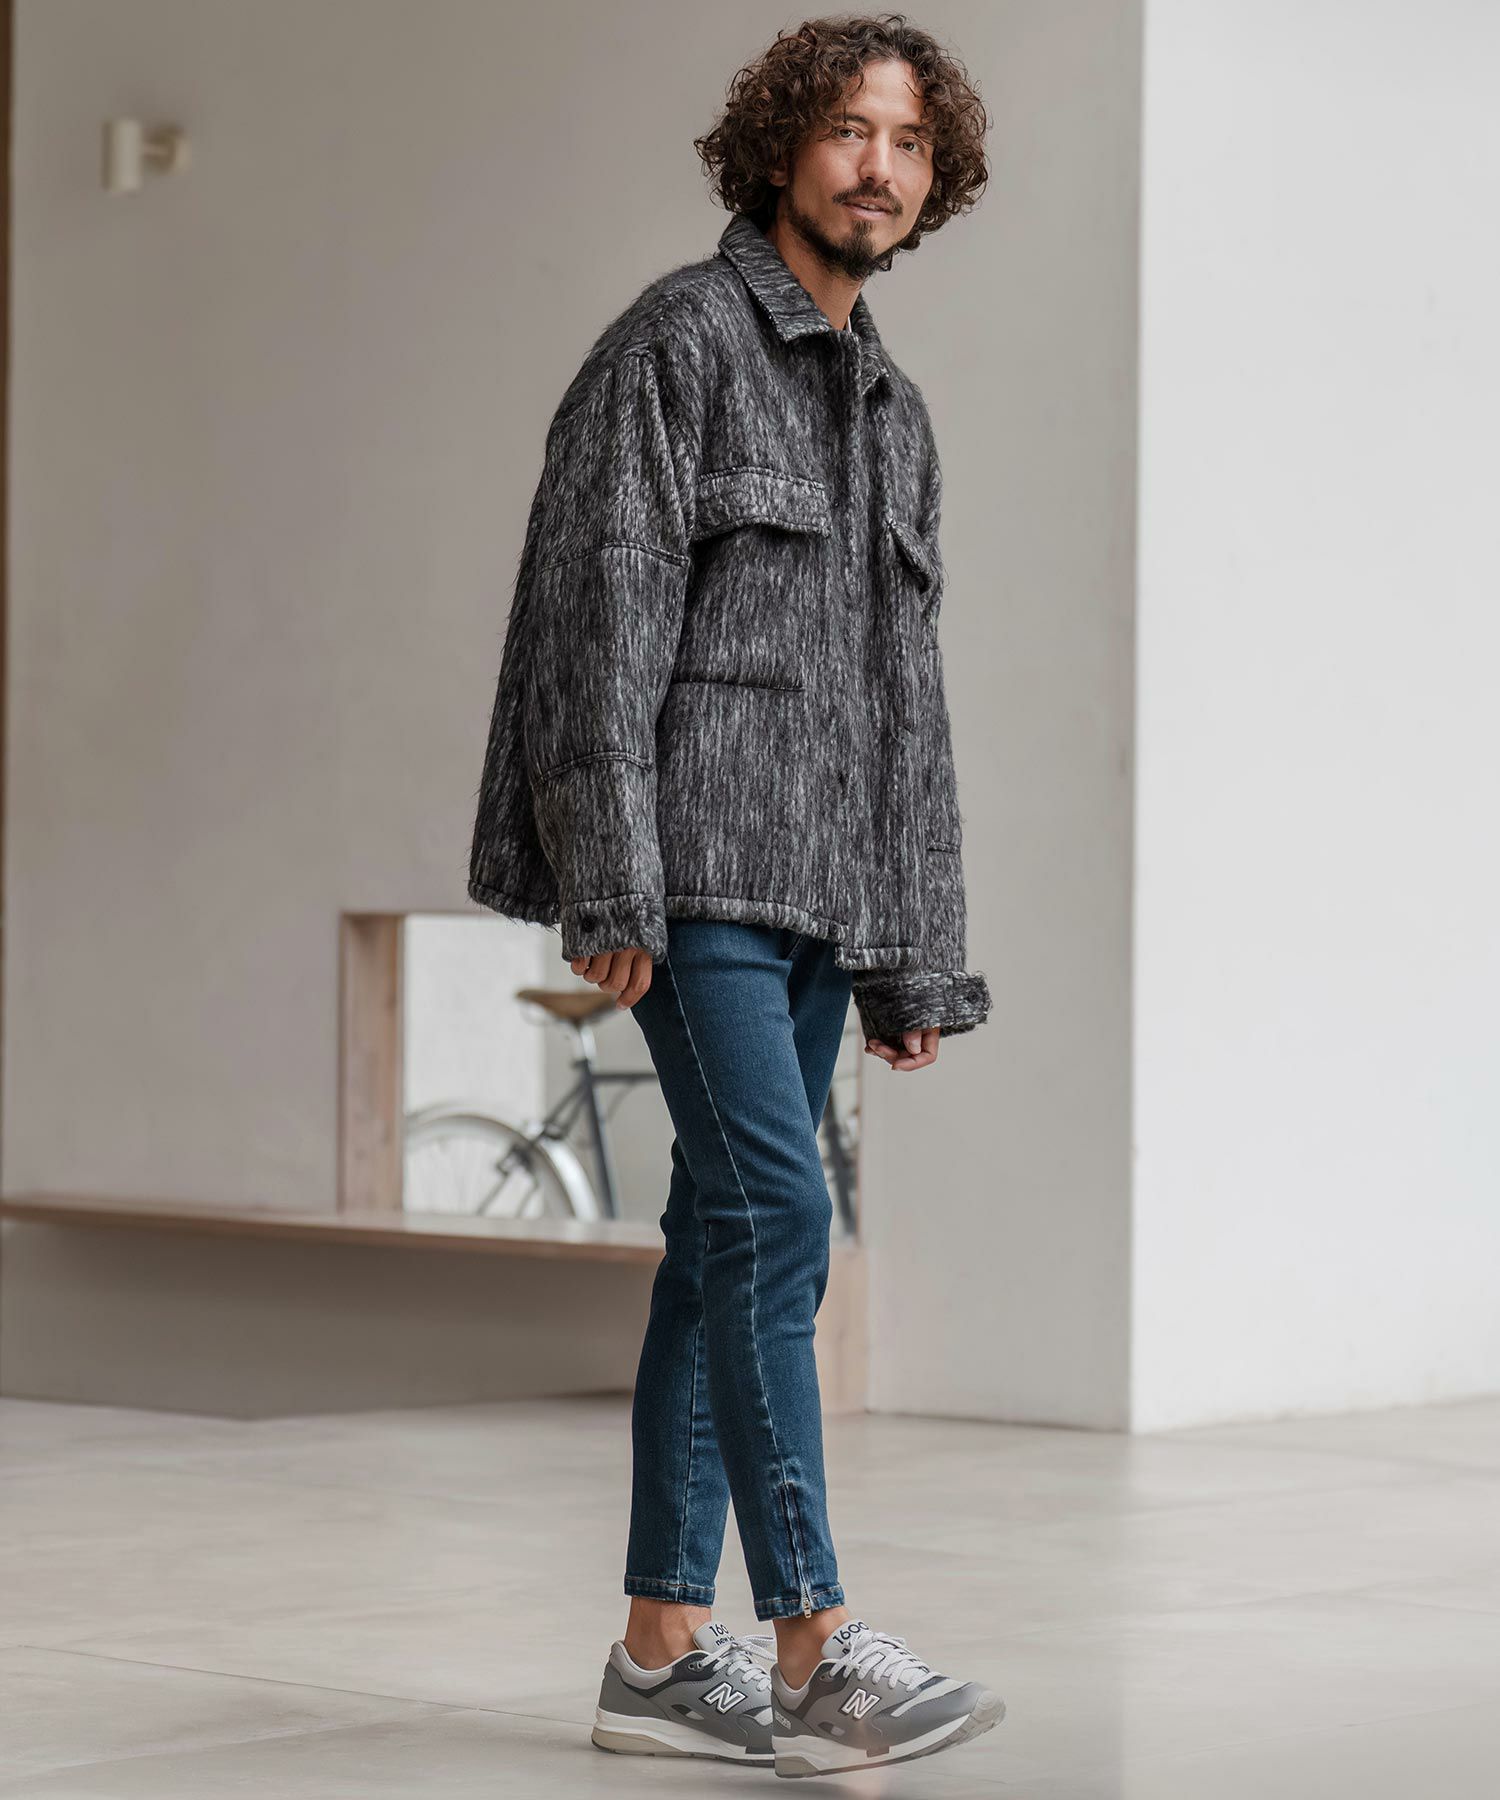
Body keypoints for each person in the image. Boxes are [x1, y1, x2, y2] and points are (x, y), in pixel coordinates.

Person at [467, 14, 1003, 1779]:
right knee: (781, 1216)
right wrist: (610, 878)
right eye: (847, 131)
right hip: (691, 878)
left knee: (720, 1238)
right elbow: (597, 622)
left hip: (821, 896)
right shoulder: (676, 345)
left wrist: (914, 954)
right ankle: (814, 1648)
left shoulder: (895, 417)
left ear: (935, 177)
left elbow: (904, 707)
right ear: (780, 149)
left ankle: (654, 1656)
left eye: (907, 142)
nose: (878, 165)